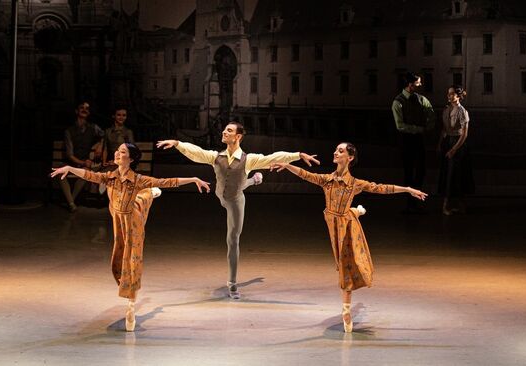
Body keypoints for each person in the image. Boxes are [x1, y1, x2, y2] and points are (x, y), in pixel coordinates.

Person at [51, 142, 210, 332]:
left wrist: (193, 178)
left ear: (131, 159)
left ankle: (131, 307)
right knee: (118, 257)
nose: (117, 154)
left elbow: (166, 181)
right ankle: (148, 195)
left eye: (123, 152)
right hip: (117, 216)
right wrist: (69, 168)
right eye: (117, 150)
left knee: (133, 259)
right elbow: (90, 175)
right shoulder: (111, 177)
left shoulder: (138, 179)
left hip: (133, 220)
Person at [270, 142, 427, 332]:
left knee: (346, 266)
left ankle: (346, 310)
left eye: (340, 151)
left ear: (350, 158)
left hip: (347, 228)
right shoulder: (327, 179)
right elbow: (306, 175)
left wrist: (408, 189)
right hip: (333, 223)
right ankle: (357, 210)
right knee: (343, 263)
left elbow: (381, 188)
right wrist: (287, 165)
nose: (335, 153)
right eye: (336, 150)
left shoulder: (354, 184)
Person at [156, 121, 320, 299]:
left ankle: (232, 283)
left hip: (235, 201)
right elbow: (197, 153)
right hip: (221, 195)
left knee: (232, 239)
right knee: (242, 184)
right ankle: (254, 180)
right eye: (225, 129)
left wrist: (298, 154)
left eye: (229, 130)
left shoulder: (248, 159)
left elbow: (272, 157)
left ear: (238, 137)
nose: (224, 132)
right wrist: (178, 144)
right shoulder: (216, 156)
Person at [392, 72, 435, 213]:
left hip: (418, 138)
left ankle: (415, 200)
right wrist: (420, 128)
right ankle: (411, 203)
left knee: (421, 170)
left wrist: (428, 125)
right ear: (410, 85)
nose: (420, 85)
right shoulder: (398, 102)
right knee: (409, 172)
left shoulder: (421, 99)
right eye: (418, 83)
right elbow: (400, 125)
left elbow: (431, 113)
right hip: (406, 140)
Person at [59, 101, 104, 212]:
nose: (84, 110)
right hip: (72, 162)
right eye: (82, 108)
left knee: (86, 173)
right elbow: (69, 154)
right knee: (60, 172)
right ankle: (71, 203)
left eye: (87, 109)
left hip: (84, 163)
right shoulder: (69, 131)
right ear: (76, 111)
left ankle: (70, 202)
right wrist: (82, 163)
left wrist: (100, 145)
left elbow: (104, 135)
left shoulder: (93, 127)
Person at [437, 85, 474, 215]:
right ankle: (448, 205)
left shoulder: (462, 111)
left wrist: (454, 149)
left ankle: (453, 205)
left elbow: (464, 134)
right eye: (448, 93)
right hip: (448, 142)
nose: (449, 96)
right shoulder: (446, 110)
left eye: (452, 94)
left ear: (458, 96)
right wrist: (440, 143)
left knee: (456, 174)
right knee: (447, 174)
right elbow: (444, 129)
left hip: (458, 144)